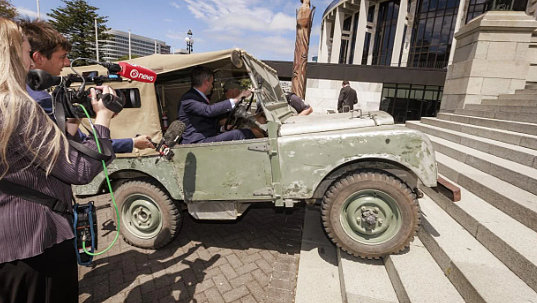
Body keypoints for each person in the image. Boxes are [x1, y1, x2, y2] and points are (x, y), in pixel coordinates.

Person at [0, 18, 117, 302]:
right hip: (36, 243)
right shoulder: (16, 107)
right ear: (11, 55)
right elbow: (78, 169)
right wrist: (103, 117)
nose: (30, 64)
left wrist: (70, 121)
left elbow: (39, 156)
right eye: (27, 54)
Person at [19, 19, 154, 152]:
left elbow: (71, 140)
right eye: (62, 57)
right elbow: (69, 157)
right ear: (38, 58)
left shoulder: (21, 89)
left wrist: (79, 110)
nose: (67, 62)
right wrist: (103, 116)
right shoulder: (36, 99)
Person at [177, 66, 255, 144]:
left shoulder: (198, 97)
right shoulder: (188, 99)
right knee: (240, 134)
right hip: (197, 141)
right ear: (206, 82)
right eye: (212, 83)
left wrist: (222, 128)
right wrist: (236, 99)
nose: (212, 86)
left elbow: (204, 122)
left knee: (242, 133)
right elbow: (208, 111)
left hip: (207, 137)